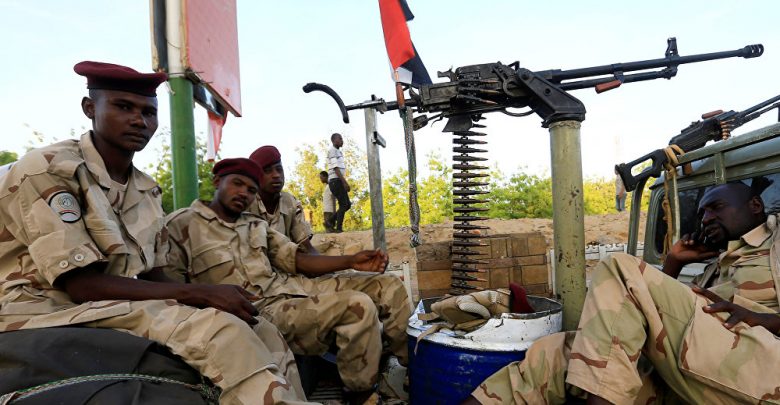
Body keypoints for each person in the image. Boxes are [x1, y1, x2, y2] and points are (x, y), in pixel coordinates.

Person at [0, 61, 311, 405]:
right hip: (43, 306)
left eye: (148, 112)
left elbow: (154, 274)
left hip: (107, 302)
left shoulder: (145, 190)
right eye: (123, 107)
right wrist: (201, 293)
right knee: (220, 333)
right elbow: (80, 284)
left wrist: (211, 298)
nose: (139, 120)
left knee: (258, 324)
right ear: (90, 108)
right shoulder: (48, 170)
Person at [467, 181, 780, 404]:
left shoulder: (775, 243)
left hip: (765, 366)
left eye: (716, 208)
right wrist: (672, 263)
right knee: (559, 352)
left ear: (755, 206)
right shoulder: (717, 266)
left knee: (619, 266)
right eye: (702, 213)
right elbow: (662, 316)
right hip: (707, 367)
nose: (706, 218)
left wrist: (765, 319)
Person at [163, 157, 412, 402]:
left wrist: (351, 261)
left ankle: (413, 369)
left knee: (387, 284)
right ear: (217, 181)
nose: (243, 193)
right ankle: (360, 393)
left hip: (290, 289)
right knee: (357, 306)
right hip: (256, 311)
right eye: (237, 184)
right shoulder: (181, 225)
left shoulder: (256, 225)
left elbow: (299, 260)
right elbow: (171, 290)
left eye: (251, 190)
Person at [248, 145, 319, 254]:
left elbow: (307, 248)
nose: (276, 175)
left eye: (279, 169)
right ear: (255, 177)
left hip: (285, 261)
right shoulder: (247, 203)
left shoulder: (290, 202)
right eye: (267, 171)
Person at [327, 133, 351, 232]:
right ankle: (339, 228)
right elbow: (336, 168)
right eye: (340, 139)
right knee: (344, 204)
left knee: (347, 204)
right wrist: (344, 182)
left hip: (338, 180)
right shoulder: (332, 151)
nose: (342, 141)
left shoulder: (338, 152)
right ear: (334, 140)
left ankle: (330, 221)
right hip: (335, 181)